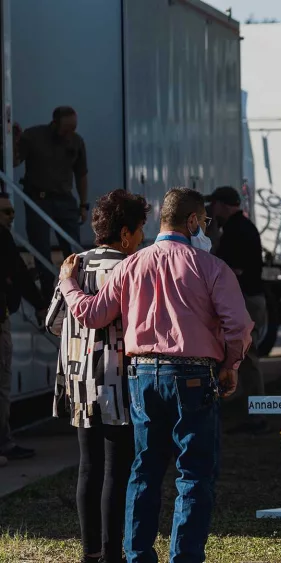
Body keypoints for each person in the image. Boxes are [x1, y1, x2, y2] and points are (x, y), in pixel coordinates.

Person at [58, 187, 252, 563]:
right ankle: (185, 556)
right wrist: (231, 365)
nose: (206, 228)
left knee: (143, 469)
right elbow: (239, 326)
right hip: (194, 374)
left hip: (142, 375)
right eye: (205, 222)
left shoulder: (131, 265)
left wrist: (67, 282)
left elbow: (93, 314)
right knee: (194, 472)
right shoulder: (210, 266)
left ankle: (138, 555)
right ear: (193, 221)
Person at [47, 189, 149, 563]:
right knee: (117, 469)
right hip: (118, 382)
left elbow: (53, 322)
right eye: (140, 230)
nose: (142, 238)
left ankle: (90, 553)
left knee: (88, 467)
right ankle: (111, 553)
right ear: (125, 233)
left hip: (80, 380)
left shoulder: (74, 264)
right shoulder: (131, 268)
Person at [206, 186, 267, 435]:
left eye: (215, 205)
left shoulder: (235, 230)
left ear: (222, 204)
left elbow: (224, 266)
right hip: (251, 298)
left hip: (247, 300)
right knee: (244, 356)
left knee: (248, 357)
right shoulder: (242, 226)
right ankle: (250, 410)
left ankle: (258, 415)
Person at [16, 106, 89, 297]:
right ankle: (49, 297)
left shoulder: (76, 141)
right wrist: (14, 140)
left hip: (65, 200)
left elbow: (81, 174)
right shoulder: (33, 136)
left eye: (73, 128)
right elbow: (14, 161)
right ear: (54, 123)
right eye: (66, 129)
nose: (70, 134)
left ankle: (77, 294)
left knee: (73, 250)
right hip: (38, 200)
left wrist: (83, 204)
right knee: (41, 250)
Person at [0, 192, 46, 465]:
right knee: (2, 385)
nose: (11, 217)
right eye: (5, 212)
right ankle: (4, 443)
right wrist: (40, 305)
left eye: (12, 212)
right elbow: (19, 273)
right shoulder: (3, 238)